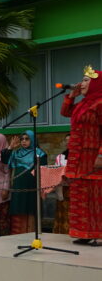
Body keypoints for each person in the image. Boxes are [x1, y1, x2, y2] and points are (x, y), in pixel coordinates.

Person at [60, 66, 102, 244]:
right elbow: (65, 112)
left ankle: (98, 234)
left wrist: (101, 155)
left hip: (92, 157)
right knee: (80, 196)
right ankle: (83, 233)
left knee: (95, 197)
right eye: (82, 79)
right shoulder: (83, 103)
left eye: (86, 80)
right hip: (78, 158)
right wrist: (71, 96)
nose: (82, 83)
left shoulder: (100, 103)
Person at [1, 131, 47, 235]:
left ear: (32, 140)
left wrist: (43, 188)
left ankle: (31, 233)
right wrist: (10, 148)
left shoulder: (39, 153)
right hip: (18, 186)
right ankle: (18, 234)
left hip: (33, 186)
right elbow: (4, 160)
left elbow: (44, 171)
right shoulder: (16, 153)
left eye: (27, 139)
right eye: (22, 139)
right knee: (18, 207)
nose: (24, 141)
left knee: (32, 208)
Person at [52, 134, 70, 235]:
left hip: (76, 190)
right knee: (63, 211)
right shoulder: (60, 157)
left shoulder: (80, 156)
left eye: (70, 140)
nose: (68, 142)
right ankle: (63, 232)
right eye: (66, 140)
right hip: (63, 190)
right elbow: (55, 172)